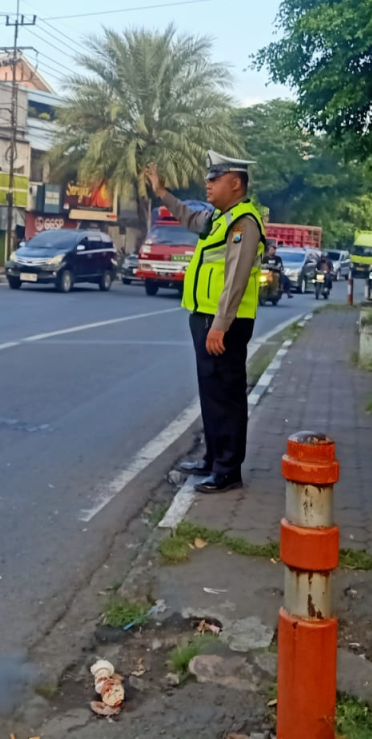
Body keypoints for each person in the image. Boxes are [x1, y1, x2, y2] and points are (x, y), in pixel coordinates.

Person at [146, 152, 266, 495]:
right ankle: (213, 459)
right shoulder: (217, 218)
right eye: (208, 179)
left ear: (236, 183)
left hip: (224, 323)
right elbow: (187, 216)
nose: (208, 184)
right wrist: (162, 192)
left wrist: (220, 325)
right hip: (206, 317)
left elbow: (236, 278)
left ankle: (228, 470)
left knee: (226, 395)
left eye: (215, 179)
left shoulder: (243, 223)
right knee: (212, 394)